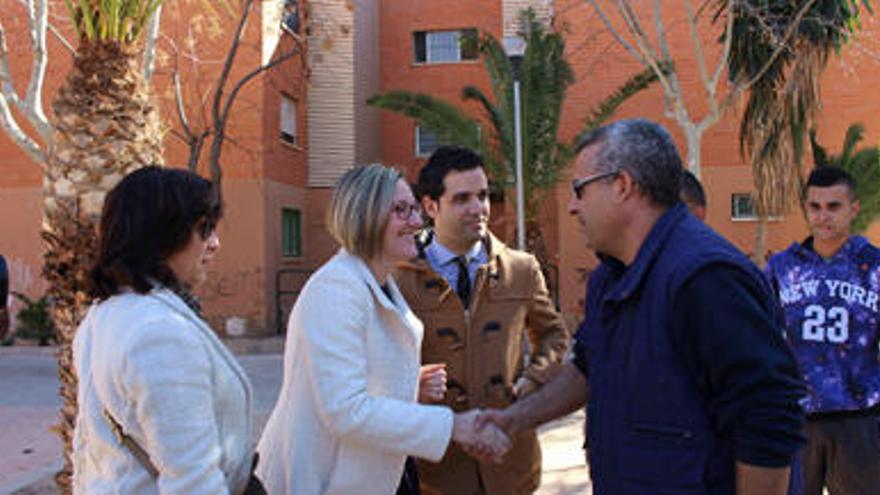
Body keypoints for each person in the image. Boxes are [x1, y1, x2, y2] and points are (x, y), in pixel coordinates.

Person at [478, 119, 806, 494]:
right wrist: (514, 419)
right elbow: (585, 368)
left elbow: (768, 414)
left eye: (578, 189)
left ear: (622, 185)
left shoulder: (705, 276)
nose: (571, 206)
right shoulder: (610, 277)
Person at [255, 164, 510, 495]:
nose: (417, 222)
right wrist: (454, 426)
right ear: (364, 216)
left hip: (377, 473)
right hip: (325, 480)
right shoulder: (335, 288)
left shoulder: (375, 282)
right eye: (401, 211)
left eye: (415, 209)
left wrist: (406, 384)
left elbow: (355, 380)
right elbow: (345, 409)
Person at [72, 166, 260, 494]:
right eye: (204, 229)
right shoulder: (159, 334)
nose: (215, 243)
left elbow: (87, 447)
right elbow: (193, 482)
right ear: (162, 234)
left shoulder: (104, 314)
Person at [395, 146, 569, 494]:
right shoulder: (398, 278)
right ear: (431, 207)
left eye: (483, 195)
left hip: (510, 461)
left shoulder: (521, 269)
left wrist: (533, 381)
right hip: (435, 468)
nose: (478, 208)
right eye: (462, 199)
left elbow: (553, 336)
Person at [765, 166, 880, 495]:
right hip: (798, 416)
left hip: (859, 418)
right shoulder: (782, 267)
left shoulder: (873, 266)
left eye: (833, 206)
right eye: (815, 206)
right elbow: (760, 334)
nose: (822, 216)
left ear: (853, 209)